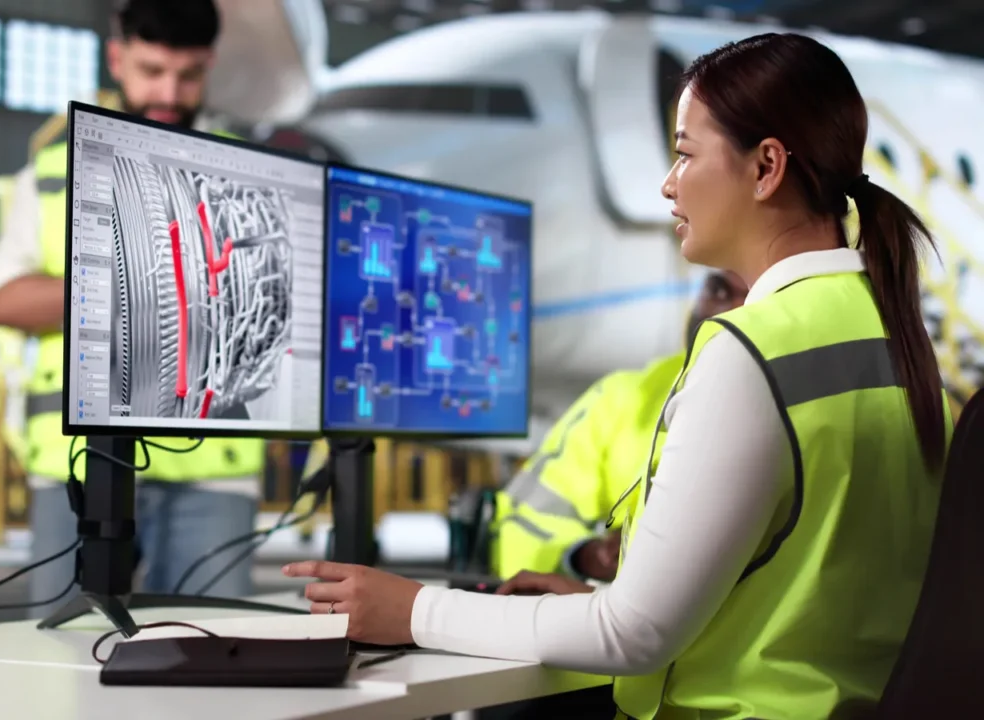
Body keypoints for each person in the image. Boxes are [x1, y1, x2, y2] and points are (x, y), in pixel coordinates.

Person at [283, 32, 951, 719]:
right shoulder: (893, 335)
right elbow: (812, 597)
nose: (668, 184)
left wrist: (412, 608)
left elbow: (632, 637)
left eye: (686, 154)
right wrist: (610, 601)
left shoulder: (752, 349)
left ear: (766, 168)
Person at [0, 0, 265, 616]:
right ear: (117, 58)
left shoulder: (248, 175)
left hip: (213, 466)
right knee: (61, 678)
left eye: (188, 75)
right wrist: (129, 287)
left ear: (210, 64)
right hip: (82, 464)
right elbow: (3, 297)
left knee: (223, 676)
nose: (168, 91)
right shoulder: (55, 171)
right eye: (152, 70)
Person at [492, 271, 748, 584]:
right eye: (718, 289)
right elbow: (526, 516)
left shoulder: (799, 412)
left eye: (750, 293)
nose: (728, 308)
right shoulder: (621, 398)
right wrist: (584, 555)